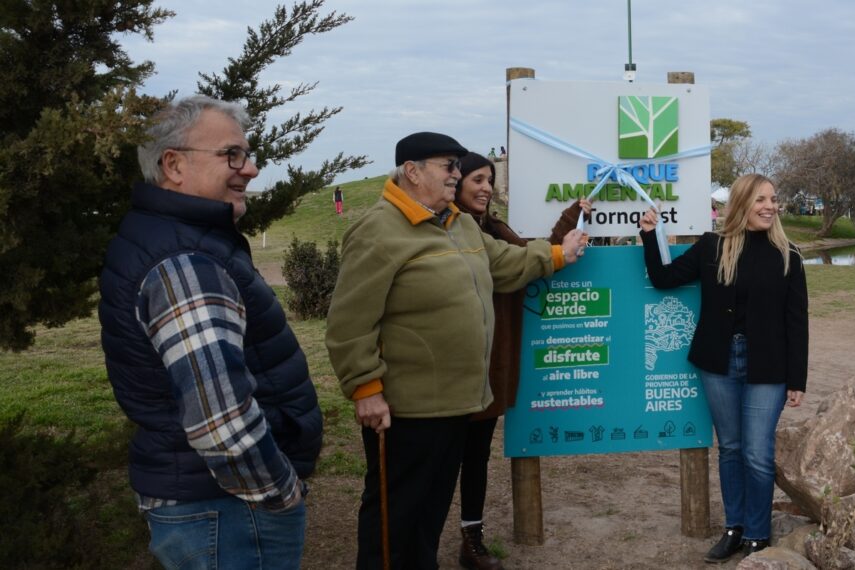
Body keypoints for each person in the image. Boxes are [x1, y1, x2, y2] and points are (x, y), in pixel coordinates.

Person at [325, 132, 588, 570]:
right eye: (448, 166)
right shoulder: (378, 229)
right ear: (412, 171)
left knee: (428, 517)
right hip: (405, 410)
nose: (457, 175)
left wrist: (559, 253)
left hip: (456, 404)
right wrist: (365, 387)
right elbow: (350, 320)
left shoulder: (458, 222)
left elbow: (505, 263)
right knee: (395, 517)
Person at [98, 95, 323, 569]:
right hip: (230, 511)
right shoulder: (185, 261)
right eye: (231, 155)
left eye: (247, 154)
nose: (251, 169)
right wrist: (280, 493)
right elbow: (221, 422)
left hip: (209, 504)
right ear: (174, 165)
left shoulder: (170, 238)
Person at [639, 173, 808, 563]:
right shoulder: (712, 246)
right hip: (718, 363)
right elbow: (664, 279)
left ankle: (758, 534)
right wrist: (650, 235)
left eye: (773, 199)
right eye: (761, 199)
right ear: (742, 203)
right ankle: (734, 529)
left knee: (757, 453)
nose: (770, 206)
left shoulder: (789, 255)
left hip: (768, 367)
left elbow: (797, 321)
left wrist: (797, 379)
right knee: (731, 448)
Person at [450, 152, 589, 569]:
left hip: (493, 365)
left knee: (475, 457)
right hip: (454, 368)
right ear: (455, 182)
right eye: (476, 178)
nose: (485, 187)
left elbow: (532, 258)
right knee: (440, 459)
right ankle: (416, 541)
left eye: (489, 179)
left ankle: (470, 539)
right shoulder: (447, 231)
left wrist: (571, 221)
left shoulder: (493, 229)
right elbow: (518, 264)